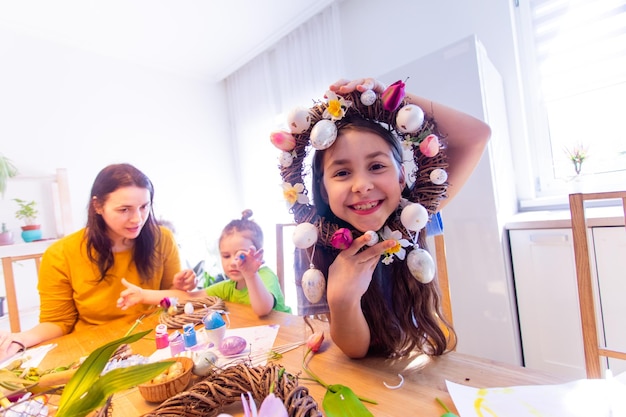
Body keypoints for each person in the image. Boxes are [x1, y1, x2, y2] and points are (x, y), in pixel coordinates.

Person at [279, 78, 491, 359]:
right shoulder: (313, 246)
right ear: (322, 188)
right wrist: (343, 301)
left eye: (377, 166)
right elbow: (356, 351)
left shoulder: (416, 217)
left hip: (419, 363)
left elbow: (477, 135)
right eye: (342, 173)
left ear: (401, 176)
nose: (362, 185)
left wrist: (393, 100)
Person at [0, 163, 197, 361]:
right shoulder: (61, 254)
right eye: (124, 209)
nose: (137, 219)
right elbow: (57, 322)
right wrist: (20, 339)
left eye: (144, 207)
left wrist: (179, 287)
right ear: (98, 206)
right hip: (94, 350)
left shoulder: (161, 238)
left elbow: (170, 299)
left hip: (154, 340)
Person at [117, 209, 292, 316]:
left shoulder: (264, 275)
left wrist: (250, 274)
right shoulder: (228, 286)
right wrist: (143, 295)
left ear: (258, 256)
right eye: (226, 256)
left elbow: (263, 310)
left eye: (239, 255)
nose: (233, 262)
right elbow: (188, 297)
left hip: (287, 336)